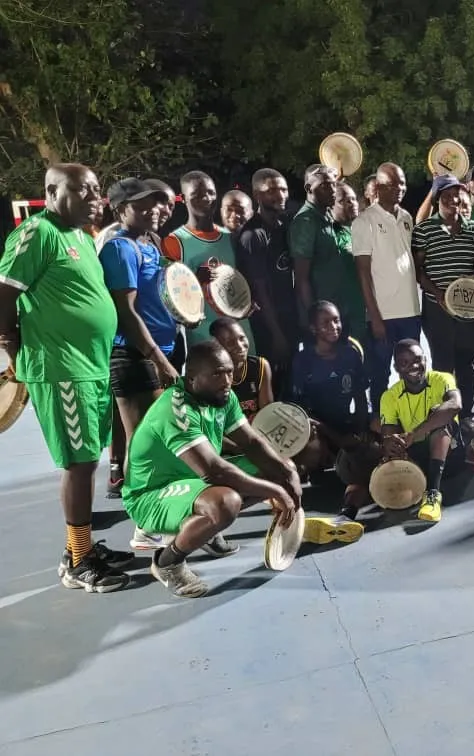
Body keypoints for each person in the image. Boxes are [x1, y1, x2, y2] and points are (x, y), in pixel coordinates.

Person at [0, 163, 133, 592]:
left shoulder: (80, 235)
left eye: (97, 190)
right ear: (52, 192)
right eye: (83, 190)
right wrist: (13, 344)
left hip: (89, 366)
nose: (95, 198)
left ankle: (81, 545)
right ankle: (79, 561)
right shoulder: (37, 234)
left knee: (87, 459)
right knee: (78, 464)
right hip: (60, 369)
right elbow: (4, 293)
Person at [122, 341, 302, 598]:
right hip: (151, 494)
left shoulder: (223, 396)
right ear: (192, 378)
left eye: (229, 372)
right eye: (217, 373)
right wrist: (276, 490)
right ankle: (167, 562)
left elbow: (251, 442)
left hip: (190, 479)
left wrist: (288, 474)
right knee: (225, 503)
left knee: (281, 469)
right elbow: (214, 472)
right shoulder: (177, 410)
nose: (227, 380)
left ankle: (201, 530)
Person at [99, 179, 180, 481]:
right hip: (134, 356)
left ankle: (157, 518)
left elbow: (158, 294)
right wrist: (159, 359)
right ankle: (145, 521)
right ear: (121, 210)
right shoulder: (120, 248)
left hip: (158, 352)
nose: (153, 210)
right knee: (146, 444)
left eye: (155, 203)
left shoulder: (149, 242)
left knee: (163, 440)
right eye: (141, 206)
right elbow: (126, 312)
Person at [289, 301, 375, 536]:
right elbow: (300, 411)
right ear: (313, 328)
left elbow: (359, 395)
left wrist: (359, 430)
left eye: (336, 320)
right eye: (325, 323)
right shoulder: (303, 360)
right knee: (312, 448)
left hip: (345, 421)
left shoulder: (351, 351)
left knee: (372, 445)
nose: (334, 326)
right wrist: (335, 437)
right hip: (317, 426)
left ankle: (346, 512)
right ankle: (292, 510)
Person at [412, 175, 474, 430]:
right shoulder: (424, 230)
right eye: (446, 195)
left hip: (468, 307)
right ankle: (445, 420)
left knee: (466, 362)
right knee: (443, 364)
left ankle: (465, 416)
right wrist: (440, 294)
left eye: (456, 194)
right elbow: (418, 270)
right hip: (437, 307)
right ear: (437, 198)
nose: (453, 199)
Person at [352, 162, 421, 409]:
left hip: (411, 311)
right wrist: (375, 317)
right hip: (383, 316)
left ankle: (411, 418)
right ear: (379, 187)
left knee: (413, 373)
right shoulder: (364, 221)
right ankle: (381, 426)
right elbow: (362, 271)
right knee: (380, 374)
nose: (399, 188)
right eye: (393, 184)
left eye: (402, 183)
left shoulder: (406, 217)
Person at [162, 171, 257, 351]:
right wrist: (195, 281)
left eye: (211, 193)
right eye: (197, 195)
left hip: (241, 333)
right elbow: (168, 295)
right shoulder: (174, 242)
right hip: (204, 336)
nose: (206, 198)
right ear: (183, 198)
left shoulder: (230, 237)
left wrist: (249, 299)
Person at [380, 339, 464, 524]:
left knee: (439, 419)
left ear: (426, 359)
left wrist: (415, 433)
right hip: (419, 462)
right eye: (405, 362)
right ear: (396, 368)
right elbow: (388, 434)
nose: (414, 366)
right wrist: (391, 443)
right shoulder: (389, 396)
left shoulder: (442, 378)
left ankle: (433, 495)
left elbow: (455, 405)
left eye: (418, 359)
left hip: (451, 457)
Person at [236, 168, 299, 392]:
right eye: (271, 190)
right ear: (257, 195)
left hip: (290, 318)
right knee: (273, 386)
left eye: (283, 189)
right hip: (269, 326)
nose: (280, 194)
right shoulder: (253, 235)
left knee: (292, 383)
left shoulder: (284, 227)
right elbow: (260, 290)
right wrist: (277, 334)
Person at [290, 167, 367, 341]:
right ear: (309, 188)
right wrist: (317, 321)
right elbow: (301, 279)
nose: (332, 190)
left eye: (333, 185)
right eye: (325, 186)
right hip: (325, 322)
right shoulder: (305, 221)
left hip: (343, 314)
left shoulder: (326, 217)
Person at [211, 316, 273, 420]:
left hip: (256, 429)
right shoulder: (212, 375)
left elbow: (266, 413)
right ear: (217, 346)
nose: (240, 346)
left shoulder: (260, 366)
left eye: (242, 338)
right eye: (230, 342)